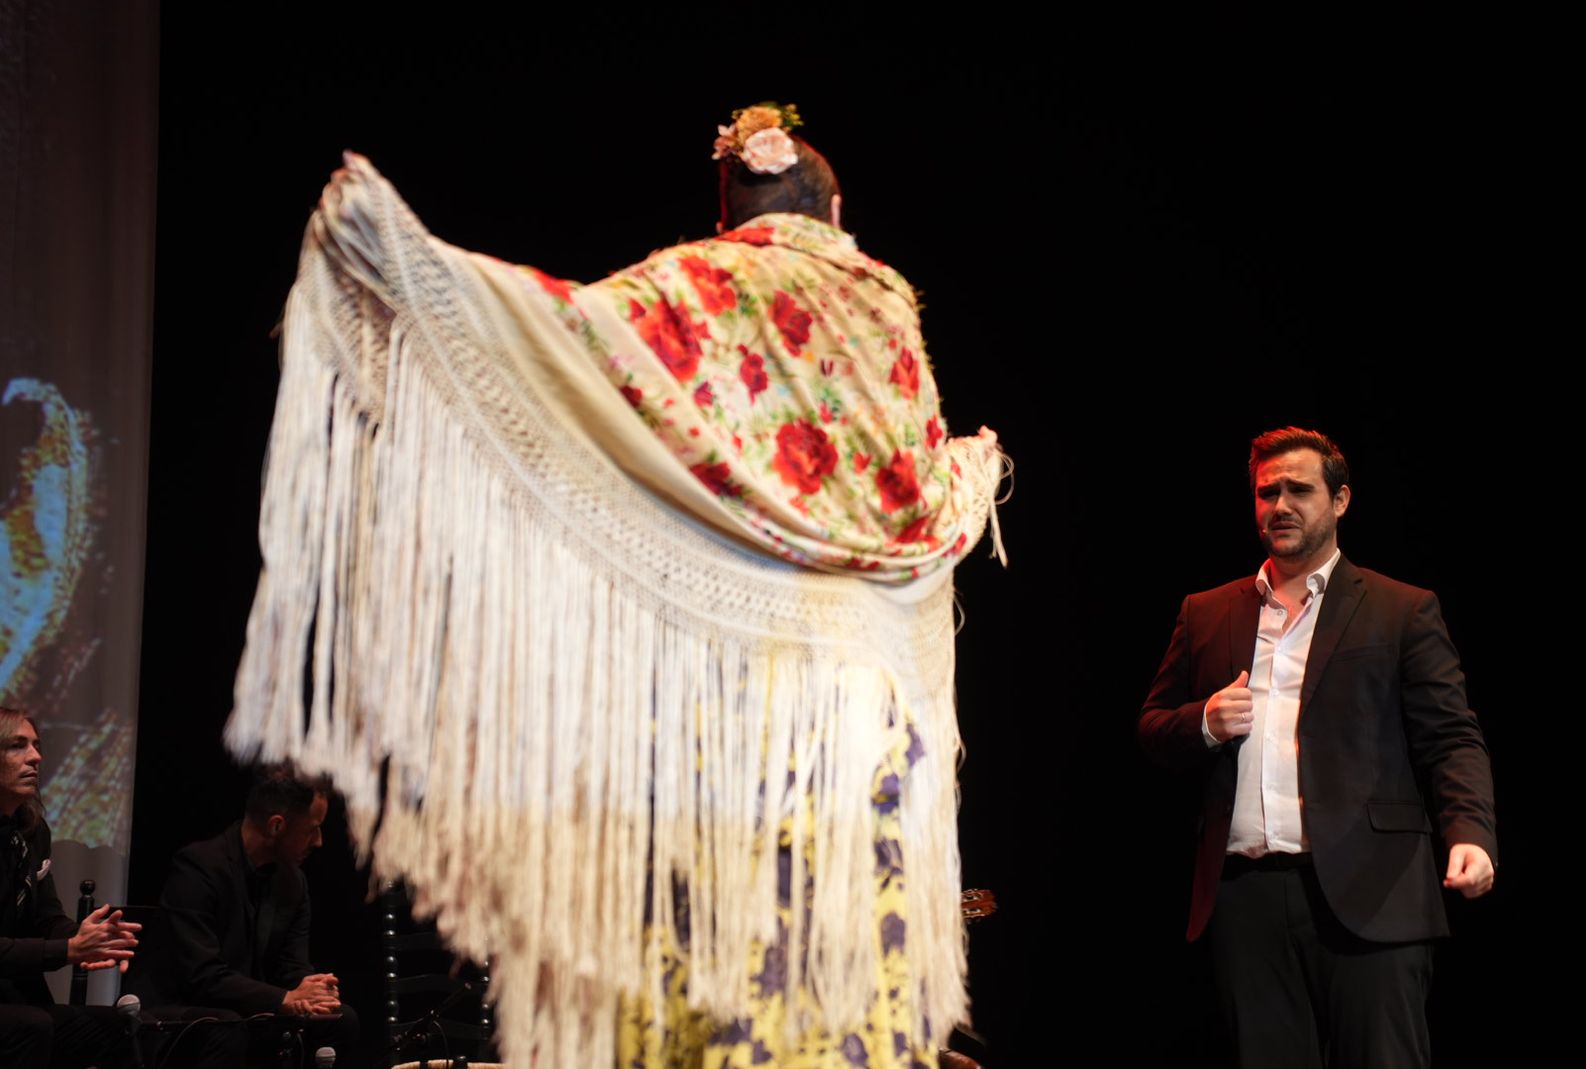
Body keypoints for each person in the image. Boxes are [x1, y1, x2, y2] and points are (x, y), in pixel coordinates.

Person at [225, 103, 1006, 1069]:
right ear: (835, 211)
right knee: (836, 968)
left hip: (720, 702)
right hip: (854, 713)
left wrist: (405, 269)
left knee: (699, 959)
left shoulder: (695, 283)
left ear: (726, 212)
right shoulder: (882, 303)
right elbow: (918, 488)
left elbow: (563, 339)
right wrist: (974, 468)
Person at [1137, 426, 1497, 1068]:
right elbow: (1153, 726)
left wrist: (1468, 831)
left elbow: (1450, 736)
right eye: (1266, 492)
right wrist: (1205, 722)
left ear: (1340, 500)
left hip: (1374, 885)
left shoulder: (1400, 609)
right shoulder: (1206, 612)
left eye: (1299, 490)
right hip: (1245, 896)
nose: (1280, 505)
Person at [142, 768, 358, 1066]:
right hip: (181, 1011)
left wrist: (314, 989)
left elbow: (291, 969)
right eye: (312, 829)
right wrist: (284, 999)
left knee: (340, 1019)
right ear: (276, 826)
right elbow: (200, 976)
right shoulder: (198, 868)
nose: (319, 841)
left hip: (249, 1010)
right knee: (227, 1027)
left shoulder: (293, 882)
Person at [0, 707, 141, 1069]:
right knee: (31, 1027)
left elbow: (46, 919)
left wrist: (90, 937)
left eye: (36, 745)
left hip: (19, 999)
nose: (35, 756)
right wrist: (68, 949)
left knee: (123, 1029)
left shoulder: (31, 830)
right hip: (15, 1012)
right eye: (17, 745)